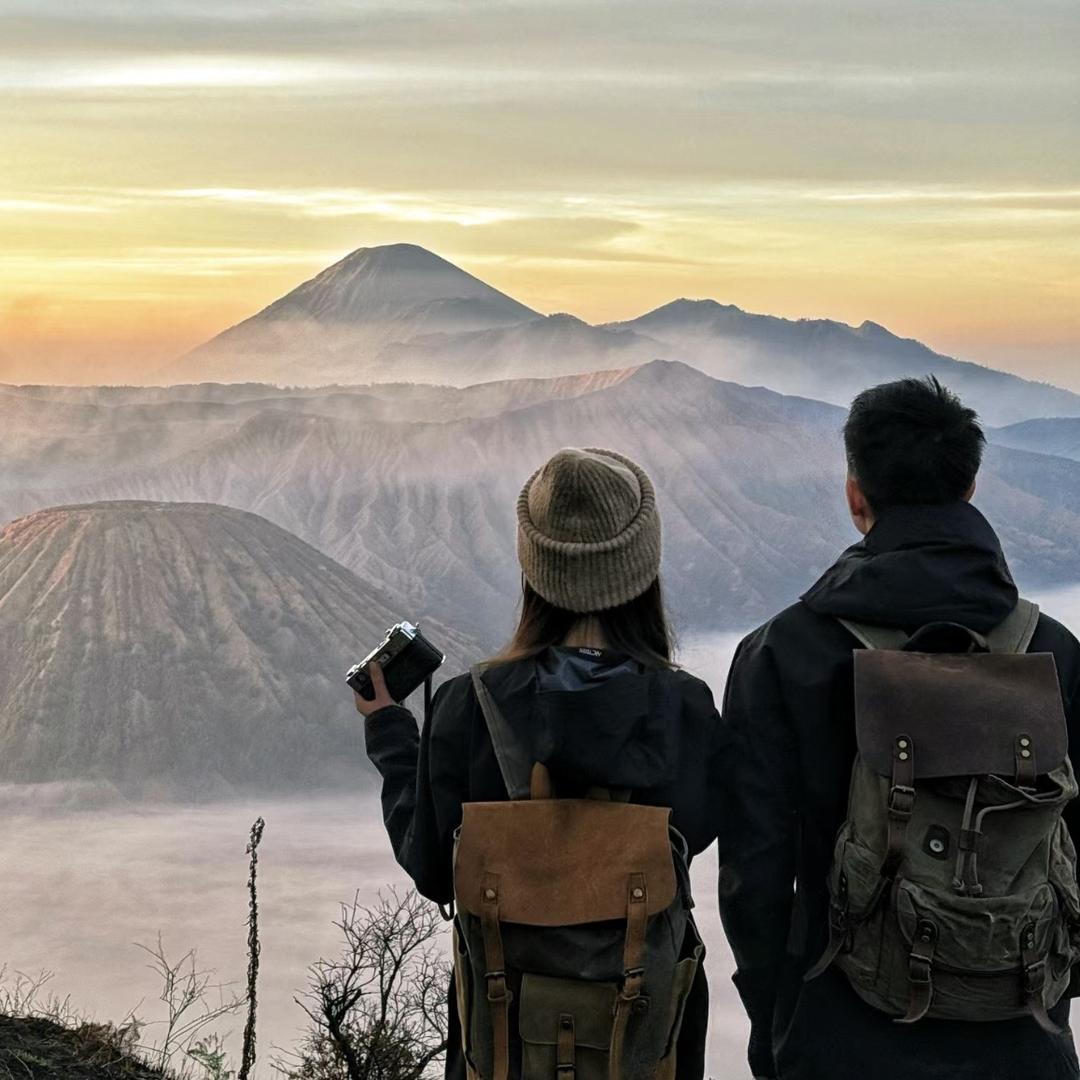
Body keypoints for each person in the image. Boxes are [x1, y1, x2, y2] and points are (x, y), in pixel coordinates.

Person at [718, 376, 1080, 1080]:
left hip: (838, 1034)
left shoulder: (783, 653)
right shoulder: (1055, 654)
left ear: (857, 497)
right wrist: (1048, 1000)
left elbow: (753, 877)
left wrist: (780, 1019)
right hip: (1023, 1037)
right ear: (970, 487)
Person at [355, 447, 724, 1080]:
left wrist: (390, 730)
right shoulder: (683, 704)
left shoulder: (467, 706)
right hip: (640, 1042)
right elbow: (697, 828)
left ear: (534, 572)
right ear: (643, 570)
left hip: (503, 1040)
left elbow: (432, 867)